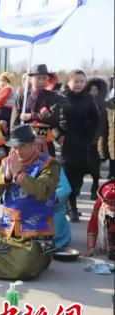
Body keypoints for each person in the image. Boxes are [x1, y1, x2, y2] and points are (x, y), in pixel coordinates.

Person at [0, 124, 59, 280]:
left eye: (21, 147)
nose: (16, 151)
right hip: (9, 229)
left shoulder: (49, 164)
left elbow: (42, 192)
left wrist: (19, 173)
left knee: (22, 269)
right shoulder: (8, 162)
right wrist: (6, 177)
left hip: (36, 232)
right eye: (13, 147)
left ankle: (43, 258)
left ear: (33, 145)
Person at [58, 70, 99, 222]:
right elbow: (53, 119)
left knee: (78, 178)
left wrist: (89, 137)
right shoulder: (60, 97)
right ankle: (72, 208)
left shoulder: (88, 99)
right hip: (64, 143)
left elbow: (96, 119)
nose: (79, 84)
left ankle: (70, 204)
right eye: (76, 81)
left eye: (82, 81)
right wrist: (58, 135)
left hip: (82, 143)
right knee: (67, 176)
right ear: (68, 82)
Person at [10, 64, 65, 157]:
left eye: (44, 78)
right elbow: (14, 120)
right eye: (38, 78)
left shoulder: (52, 96)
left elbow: (53, 117)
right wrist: (16, 138)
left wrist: (32, 116)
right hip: (24, 141)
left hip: (44, 141)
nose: (41, 81)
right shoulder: (22, 96)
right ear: (30, 79)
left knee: (46, 167)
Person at [86, 77, 109, 199]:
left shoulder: (103, 105)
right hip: (85, 140)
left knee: (95, 168)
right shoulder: (85, 103)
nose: (93, 92)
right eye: (91, 90)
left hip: (98, 140)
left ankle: (95, 187)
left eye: (95, 90)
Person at [86, 179, 115, 260]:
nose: (113, 207)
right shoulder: (99, 203)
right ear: (104, 201)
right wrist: (91, 248)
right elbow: (93, 225)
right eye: (111, 204)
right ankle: (110, 244)